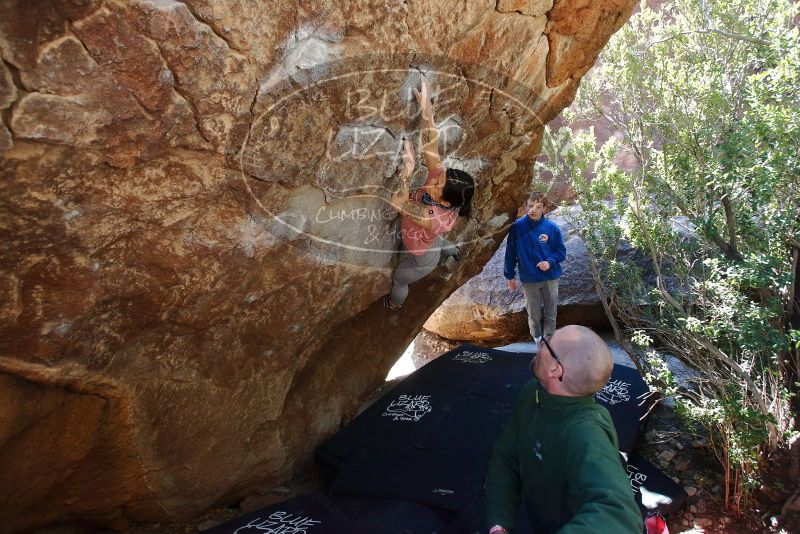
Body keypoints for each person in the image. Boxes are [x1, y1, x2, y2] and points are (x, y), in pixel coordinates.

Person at [485, 325, 643, 534]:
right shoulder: (534, 393)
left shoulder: (586, 434)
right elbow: (506, 456)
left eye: (546, 343)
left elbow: (619, 515)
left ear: (555, 370)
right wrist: (500, 522)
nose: (540, 344)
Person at [384, 80, 475, 309]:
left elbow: (398, 203)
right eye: (438, 176)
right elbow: (430, 148)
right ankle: (451, 252)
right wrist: (427, 112)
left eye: (437, 183)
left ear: (444, 201)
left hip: (420, 257)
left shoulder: (434, 215)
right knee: (437, 240)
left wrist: (408, 170)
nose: (433, 177)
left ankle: (394, 305)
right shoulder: (443, 184)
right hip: (430, 237)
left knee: (400, 278)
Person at [504, 191, 566, 343]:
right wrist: (509, 275)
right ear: (526, 206)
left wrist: (549, 262)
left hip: (550, 278)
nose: (533, 210)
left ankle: (549, 340)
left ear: (544, 208)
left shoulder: (552, 228)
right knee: (533, 314)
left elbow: (561, 252)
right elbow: (510, 252)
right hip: (529, 279)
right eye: (530, 206)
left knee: (551, 313)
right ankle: (537, 338)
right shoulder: (517, 228)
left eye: (538, 206)